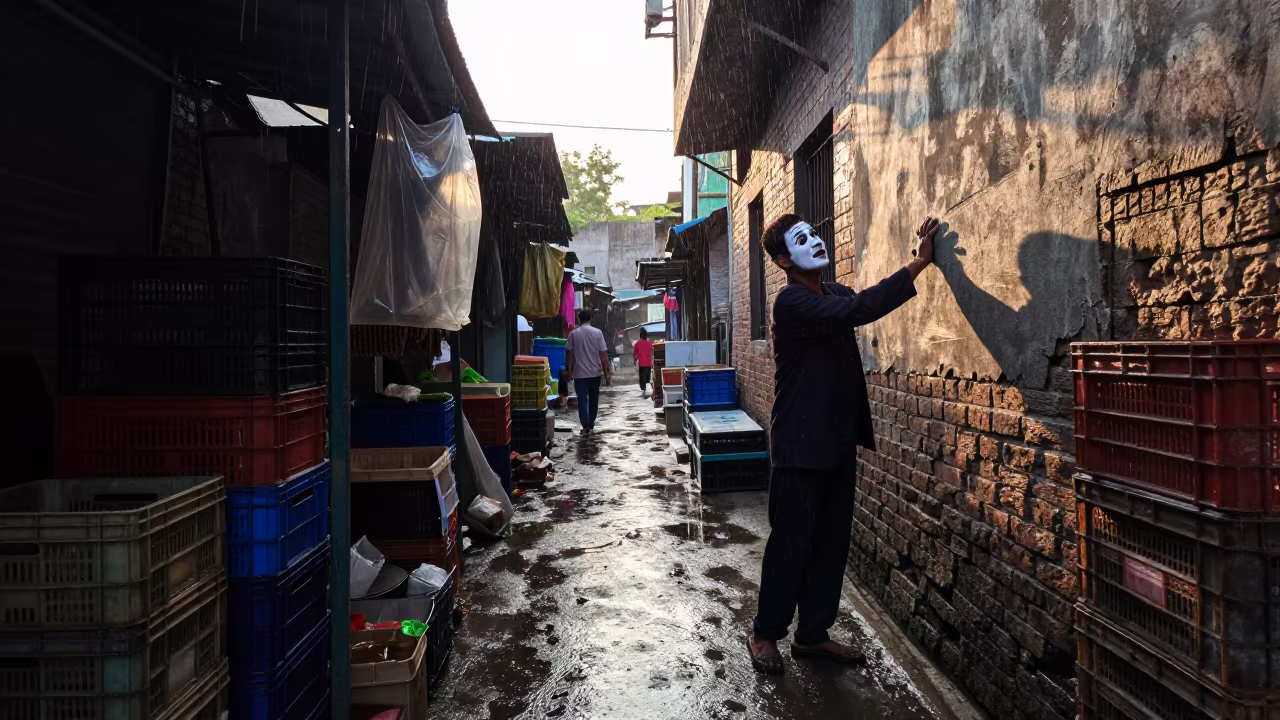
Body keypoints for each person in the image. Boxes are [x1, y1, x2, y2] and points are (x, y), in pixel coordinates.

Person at [747, 212, 938, 675]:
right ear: (782, 260)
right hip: (798, 443)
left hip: (835, 441)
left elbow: (858, 301)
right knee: (792, 543)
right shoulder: (790, 303)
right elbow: (860, 309)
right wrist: (918, 265)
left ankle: (813, 635)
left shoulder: (832, 293)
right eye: (801, 239)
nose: (816, 240)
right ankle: (765, 632)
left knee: (832, 543)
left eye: (814, 232)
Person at [565, 308, 611, 435]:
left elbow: (570, 355)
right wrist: (607, 375)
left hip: (579, 374)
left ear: (579, 319)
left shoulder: (573, 334)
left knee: (582, 400)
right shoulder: (598, 333)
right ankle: (590, 422)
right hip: (595, 373)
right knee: (593, 399)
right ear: (590, 318)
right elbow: (603, 356)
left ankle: (585, 424)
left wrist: (569, 371)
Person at [634, 328, 654, 397]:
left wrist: (635, 359)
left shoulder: (638, 343)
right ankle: (646, 387)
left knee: (642, 377)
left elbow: (635, 353)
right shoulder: (649, 342)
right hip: (648, 363)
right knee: (647, 377)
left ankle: (643, 388)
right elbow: (652, 350)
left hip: (642, 364)